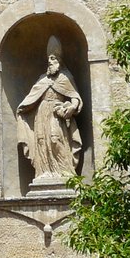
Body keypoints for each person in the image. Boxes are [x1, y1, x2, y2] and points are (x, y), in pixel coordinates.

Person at [16, 39, 83, 185]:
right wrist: (23, 108)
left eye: (53, 59)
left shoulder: (65, 78)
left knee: (55, 139)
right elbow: (32, 96)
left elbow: (74, 96)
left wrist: (71, 107)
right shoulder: (42, 79)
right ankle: (44, 172)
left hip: (56, 112)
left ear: (59, 60)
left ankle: (65, 172)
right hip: (41, 113)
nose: (50, 62)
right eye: (49, 59)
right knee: (41, 140)